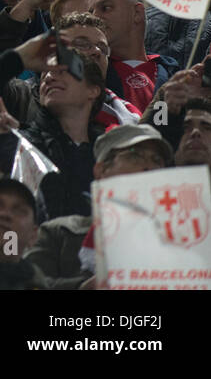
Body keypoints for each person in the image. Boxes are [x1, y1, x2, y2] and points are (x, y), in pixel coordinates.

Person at [23, 123, 173, 289]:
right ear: (101, 170)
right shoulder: (58, 233)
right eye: (134, 155)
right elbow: (24, 284)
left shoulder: (180, 241)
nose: (148, 167)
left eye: (157, 161)